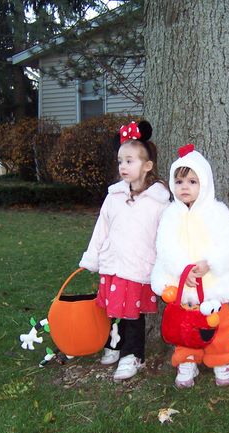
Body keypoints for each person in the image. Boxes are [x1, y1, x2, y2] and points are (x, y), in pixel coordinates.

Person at [79, 120, 170, 381]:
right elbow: (102, 228)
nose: (123, 167)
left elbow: (165, 238)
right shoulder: (114, 197)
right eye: (120, 161)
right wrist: (92, 257)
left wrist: (165, 268)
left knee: (133, 315)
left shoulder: (159, 201)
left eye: (130, 161)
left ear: (147, 165)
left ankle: (133, 355)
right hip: (113, 263)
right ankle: (114, 344)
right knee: (113, 309)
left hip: (138, 267)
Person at [151, 144, 229, 388]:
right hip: (182, 285)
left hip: (214, 285)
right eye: (179, 181)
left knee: (219, 326)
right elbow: (165, 246)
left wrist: (210, 263)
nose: (185, 187)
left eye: (192, 181)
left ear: (204, 184)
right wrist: (183, 270)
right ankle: (187, 360)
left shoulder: (218, 212)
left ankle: (220, 360)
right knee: (184, 328)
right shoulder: (170, 215)